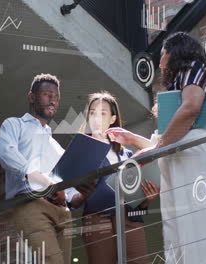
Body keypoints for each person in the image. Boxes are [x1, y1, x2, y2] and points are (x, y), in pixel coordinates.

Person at [106, 32, 206, 264]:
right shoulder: (181, 82)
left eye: (162, 55)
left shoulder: (196, 65)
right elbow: (168, 141)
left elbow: (190, 110)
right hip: (186, 162)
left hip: (200, 159)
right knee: (184, 237)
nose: (160, 63)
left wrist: (153, 150)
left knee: (204, 233)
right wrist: (134, 140)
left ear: (177, 52)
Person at [67, 91, 160, 264]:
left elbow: (138, 200)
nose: (96, 118)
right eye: (92, 113)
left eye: (102, 113)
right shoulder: (80, 151)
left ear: (112, 119)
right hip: (98, 220)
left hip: (130, 219)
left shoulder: (128, 155)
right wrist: (81, 196)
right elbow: (70, 198)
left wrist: (147, 199)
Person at [0, 73, 71, 264]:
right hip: (30, 203)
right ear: (32, 97)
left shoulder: (55, 145)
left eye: (56, 97)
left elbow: (65, 180)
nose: (52, 100)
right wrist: (42, 179)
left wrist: (74, 193)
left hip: (62, 212)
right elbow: (6, 153)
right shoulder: (14, 125)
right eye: (47, 94)